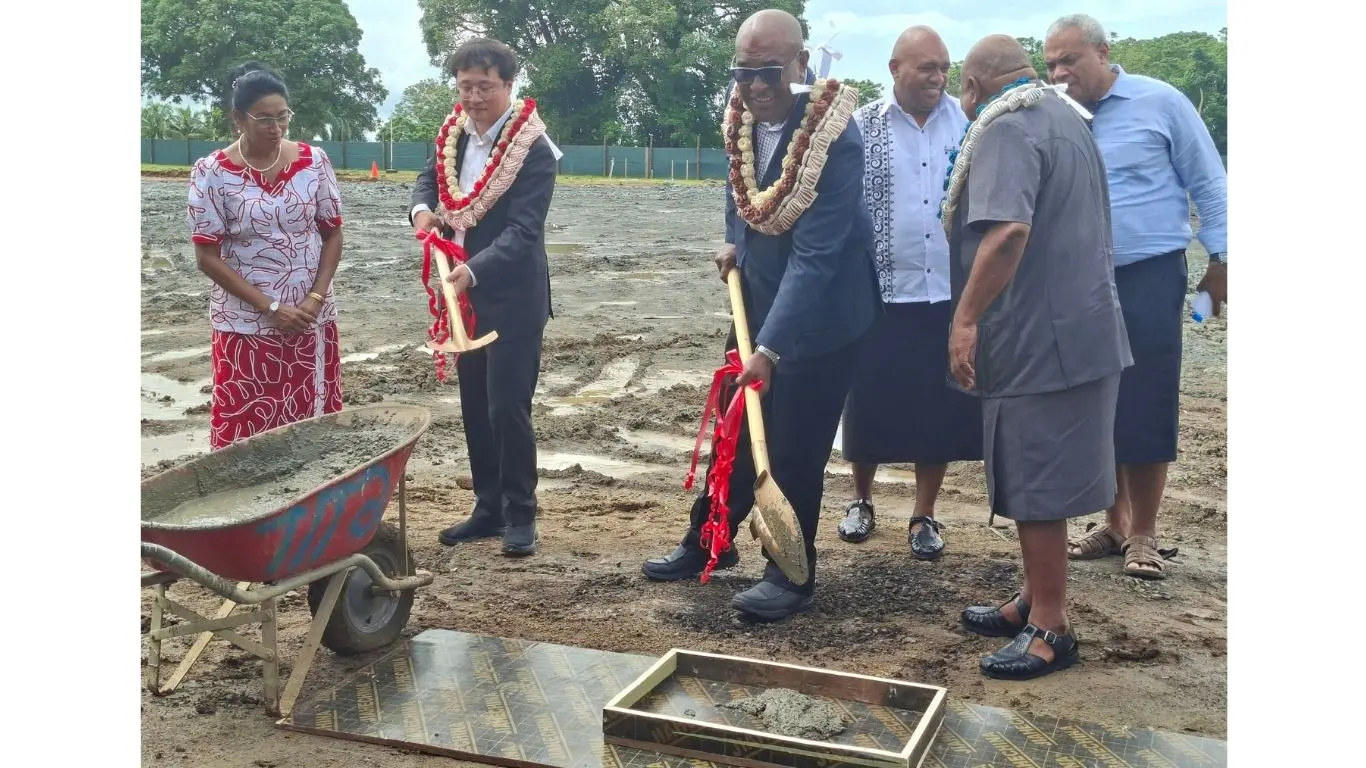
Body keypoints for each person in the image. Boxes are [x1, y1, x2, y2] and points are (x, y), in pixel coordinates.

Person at [641, 8, 880, 622]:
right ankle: (709, 543)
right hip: (757, 303)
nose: (756, 85)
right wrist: (736, 243)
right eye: (743, 72)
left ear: (800, 65)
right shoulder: (741, 118)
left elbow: (818, 256)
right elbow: (740, 195)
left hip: (823, 319)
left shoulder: (835, 136)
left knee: (793, 448)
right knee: (733, 433)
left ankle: (791, 574)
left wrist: (769, 351)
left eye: (769, 70)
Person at [944, 35, 1132, 679]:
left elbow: (1008, 230)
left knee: (1034, 482)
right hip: (1079, 329)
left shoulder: (1007, 128)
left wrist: (965, 318)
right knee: (1039, 473)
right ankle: (1033, 597)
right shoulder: (1062, 116)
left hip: (1038, 338)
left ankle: (1051, 625)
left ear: (973, 87)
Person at [1043, 14, 1228, 580]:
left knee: (1146, 397)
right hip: (1078, 281)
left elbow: (1209, 180)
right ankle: (1114, 521)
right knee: (1097, 399)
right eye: (1051, 63)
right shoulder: (1053, 113)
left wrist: (1224, 260)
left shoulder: (1161, 102)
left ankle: (1144, 532)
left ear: (1102, 52)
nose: (1059, 72)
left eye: (1069, 60)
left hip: (1149, 274)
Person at [409, 37, 559, 557]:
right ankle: (488, 507)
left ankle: (522, 513)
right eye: (466, 86)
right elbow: (427, 179)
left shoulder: (534, 149)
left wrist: (473, 271)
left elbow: (523, 232)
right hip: (462, 295)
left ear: (509, 86)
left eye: (485, 87)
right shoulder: (452, 134)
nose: (474, 98)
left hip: (511, 295)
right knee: (474, 405)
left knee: (506, 407)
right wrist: (422, 210)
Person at [836, 26, 981, 558]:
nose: (938, 78)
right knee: (868, 398)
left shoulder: (969, 125)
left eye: (944, 68)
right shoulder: (860, 127)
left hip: (945, 292)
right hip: (879, 291)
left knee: (937, 406)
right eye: (927, 68)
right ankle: (861, 499)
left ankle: (925, 515)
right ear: (895, 69)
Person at [188, 62, 345, 450]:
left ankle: (312, 507)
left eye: (283, 117)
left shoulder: (314, 162)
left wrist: (315, 297)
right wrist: (270, 307)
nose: (276, 129)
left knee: (311, 426)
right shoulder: (211, 173)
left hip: (310, 319)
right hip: (245, 324)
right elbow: (207, 257)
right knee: (247, 427)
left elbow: (333, 233)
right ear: (237, 119)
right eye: (264, 120)